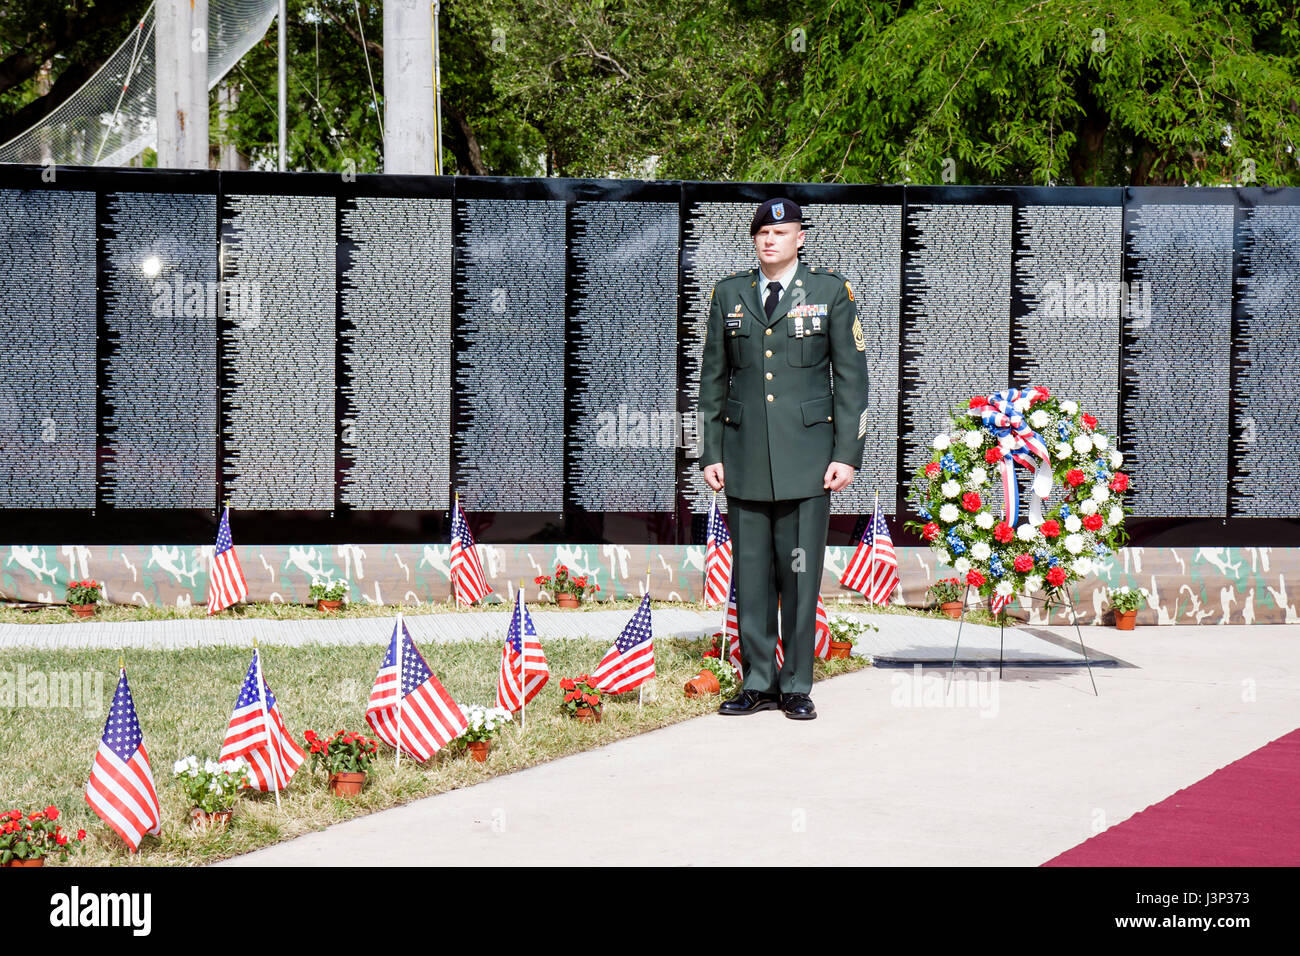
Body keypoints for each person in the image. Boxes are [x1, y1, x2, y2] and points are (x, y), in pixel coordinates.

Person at [696, 198, 869, 720]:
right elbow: (711, 381)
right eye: (762, 233)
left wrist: (847, 454)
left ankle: (795, 683)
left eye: (782, 231)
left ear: (800, 238)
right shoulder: (728, 293)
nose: (770, 240)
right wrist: (710, 450)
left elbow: (852, 380)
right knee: (750, 576)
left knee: (798, 573)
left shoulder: (830, 292)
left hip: (808, 459)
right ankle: (757, 681)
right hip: (745, 455)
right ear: (755, 240)